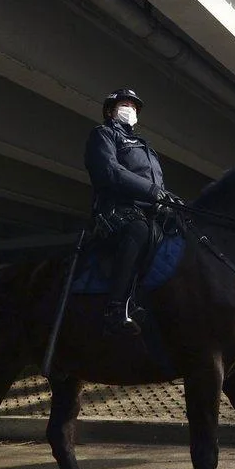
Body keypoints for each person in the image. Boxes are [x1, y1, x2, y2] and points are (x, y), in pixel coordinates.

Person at [84, 87, 181, 334]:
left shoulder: (145, 146)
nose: (130, 110)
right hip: (116, 211)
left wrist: (169, 199)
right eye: (124, 105)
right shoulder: (103, 134)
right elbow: (110, 172)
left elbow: (158, 185)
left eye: (134, 107)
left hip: (150, 211)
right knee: (138, 230)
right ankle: (116, 307)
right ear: (110, 110)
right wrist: (151, 192)